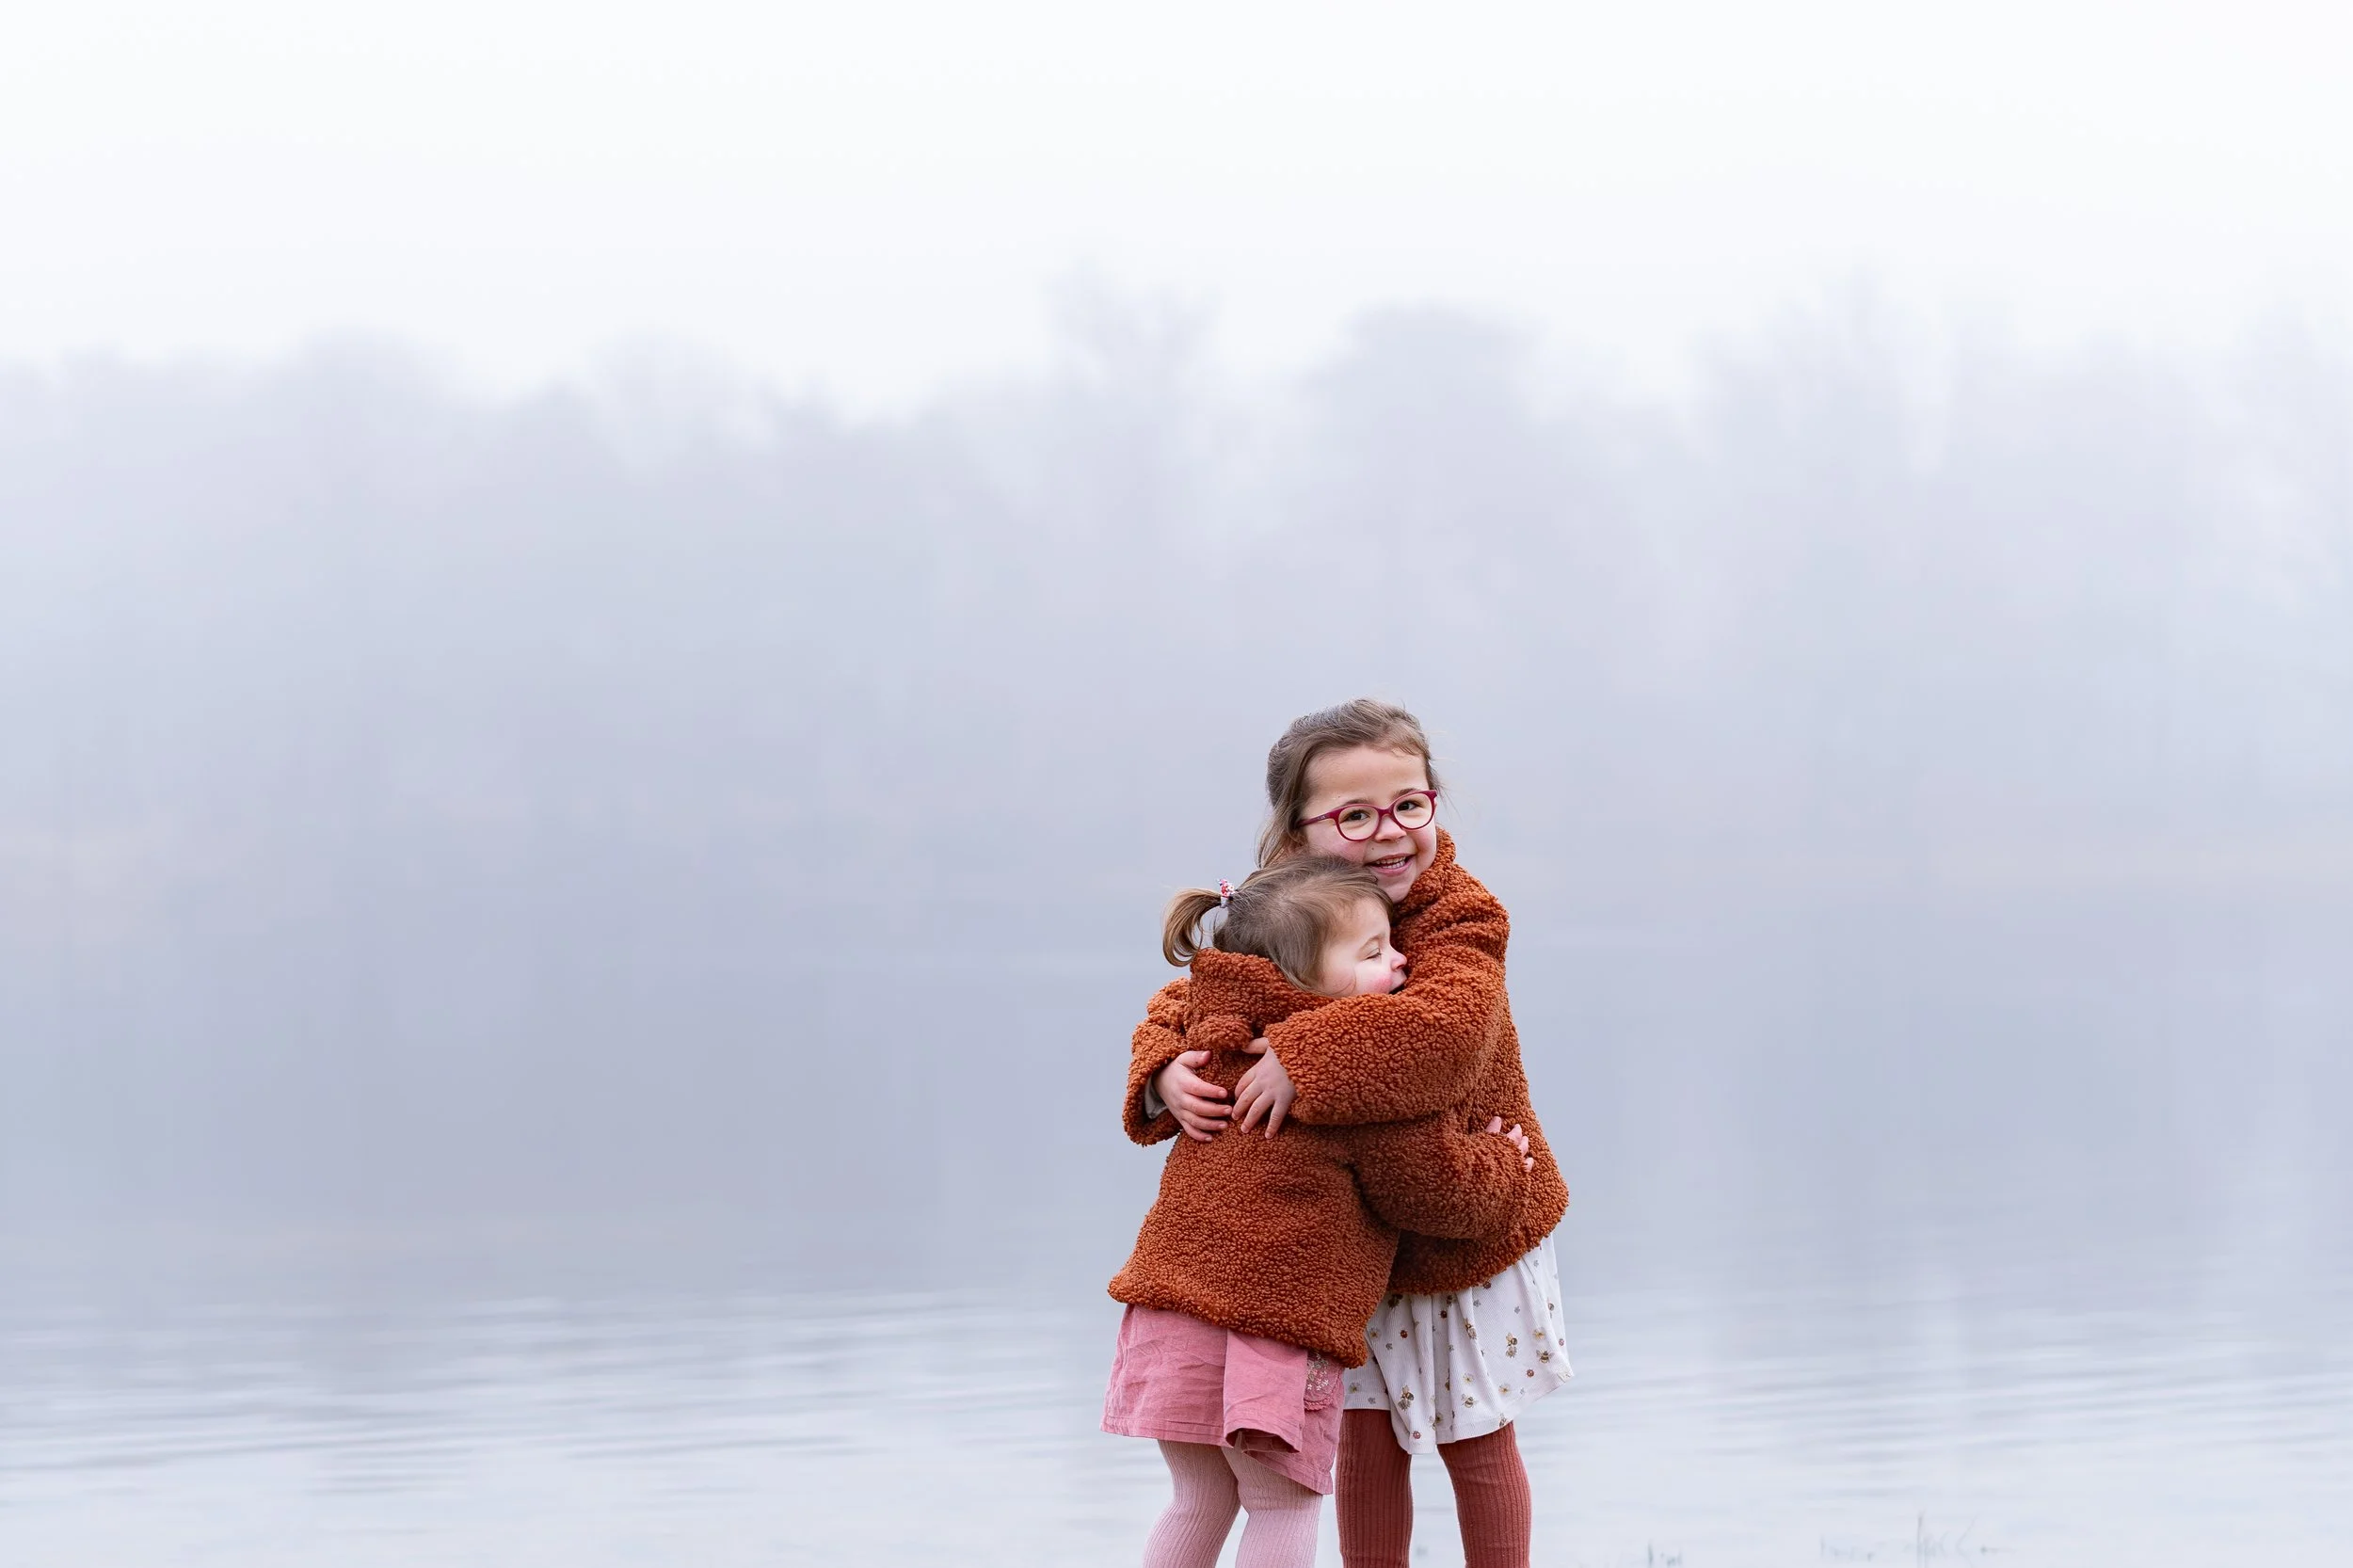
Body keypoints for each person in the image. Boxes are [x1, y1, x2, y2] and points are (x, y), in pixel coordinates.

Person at [1128, 699, 1571, 1568]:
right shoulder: (1285, 910)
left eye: (1410, 805)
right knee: (1362, 1446)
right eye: (1355, 816)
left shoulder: (1461, 915)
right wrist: (1161, 1073)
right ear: (1296, 834)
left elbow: (1442, 1032)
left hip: (1475, 1213)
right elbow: (1195, 998)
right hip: (1342, 1248)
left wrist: (1302, 1055)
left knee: (1476, 1444)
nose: (1390, 834)